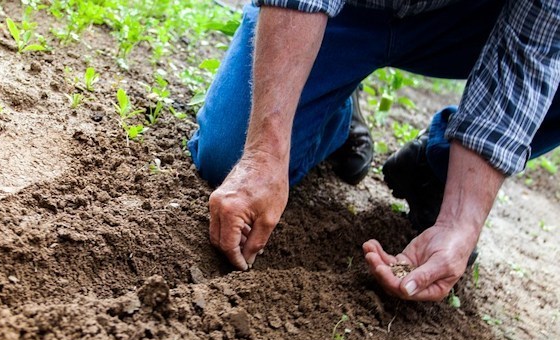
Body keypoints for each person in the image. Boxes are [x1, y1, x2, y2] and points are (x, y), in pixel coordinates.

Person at [187, 0, 560, 301]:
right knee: (229, 155)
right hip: (346, 11)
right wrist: (264, 155)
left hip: (465, 21)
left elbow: (532, 51)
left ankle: (439, 171)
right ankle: (334, 111)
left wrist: (460, 221)